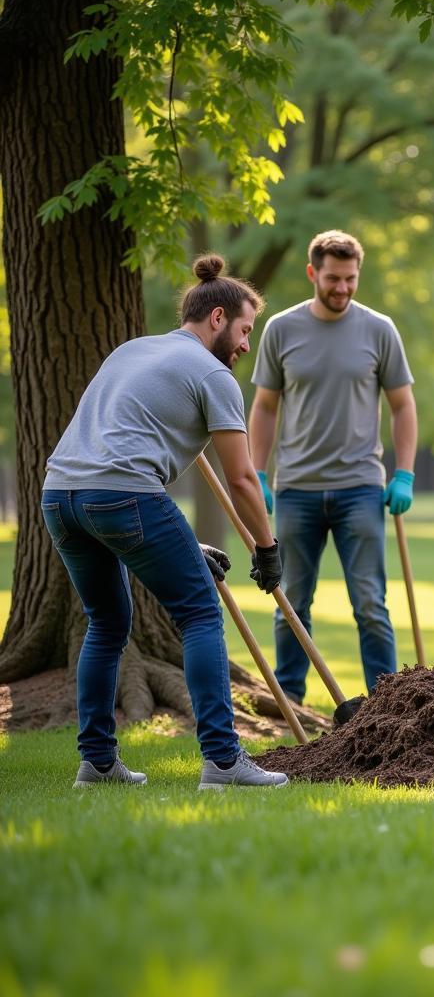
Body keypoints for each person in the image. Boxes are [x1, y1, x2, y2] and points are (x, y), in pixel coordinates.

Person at [42, 254, 288, 791]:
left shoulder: (132, 350)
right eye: (246, 330)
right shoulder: (213, 375)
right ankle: (223, 761)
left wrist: (182, 546)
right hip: (123, 495)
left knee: (106, 623)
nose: (246, 344)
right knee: (200, 613)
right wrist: (267, 549)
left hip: (61, 497)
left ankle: (97, 763)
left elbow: (114, 448)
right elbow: (242, 478)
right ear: (218, 318)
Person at [249, 230, 417, 703]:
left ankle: (385, 706)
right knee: (291, 604)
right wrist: (257, 473)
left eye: (350, 279)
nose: (342, 288)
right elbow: (264, 406)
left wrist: (403, 471)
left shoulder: (379, 329)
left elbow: (403, 405)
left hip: (360, 487)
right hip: (297, 488)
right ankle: (291, 702)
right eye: (332, 278)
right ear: (312, 274)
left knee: (370, 604)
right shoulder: (280, 328)